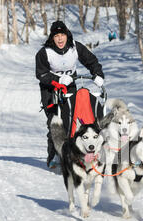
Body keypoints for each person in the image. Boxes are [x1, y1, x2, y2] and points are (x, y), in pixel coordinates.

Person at [35, 20, 105, 168]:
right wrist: (58, 79)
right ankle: (53, 156)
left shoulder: (75, 47)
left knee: (72, 119)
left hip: (70, 86)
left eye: (62, 35)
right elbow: (41, 74)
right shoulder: (44, 53)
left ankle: (74, 154)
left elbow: (91, 61)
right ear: (52, 38)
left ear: (67, 35)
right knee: (55, 122)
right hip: (50, 89)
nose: (60, 39)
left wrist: (98, 74)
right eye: (56, 36)